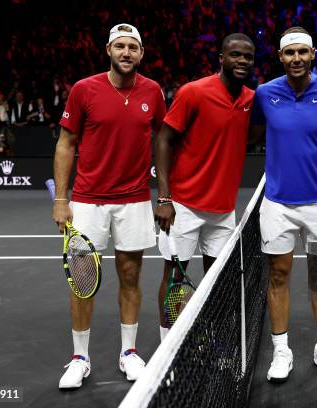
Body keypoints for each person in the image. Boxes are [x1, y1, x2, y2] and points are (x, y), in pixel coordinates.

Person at [52, 23, 165, 389]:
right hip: (87, 202)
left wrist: (166, 194)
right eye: (120, 46)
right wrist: (61, 199)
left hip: (133, 201)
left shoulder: (153, 91)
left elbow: (164, 143)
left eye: (133, 46)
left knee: (130, 277)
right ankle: (79, 358)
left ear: (141, 53)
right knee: (82, 283)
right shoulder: (84, 89)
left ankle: (128, 352)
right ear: (108, 51)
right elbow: (66, 144)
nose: (127, 52)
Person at [250, 27, 317, 383]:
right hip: (277, 205)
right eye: (289, 53)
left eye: (302, 53)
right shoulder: (265, 94)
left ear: (313, 54)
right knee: (278, 276)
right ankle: (281, 351)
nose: (296, 59)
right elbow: (253, 133)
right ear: (280, 57)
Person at [154, 33, 255, 340]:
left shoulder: (251, 98)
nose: (242, 61)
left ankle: (214, 335)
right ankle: (167, 342)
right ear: (221, 58)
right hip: (183, 205)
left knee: (219, 281)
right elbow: (163, 138)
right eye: (235, 55)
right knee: (174, 279)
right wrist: (164, 197)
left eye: (248, 57)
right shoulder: (193, 92)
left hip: (223, 210)